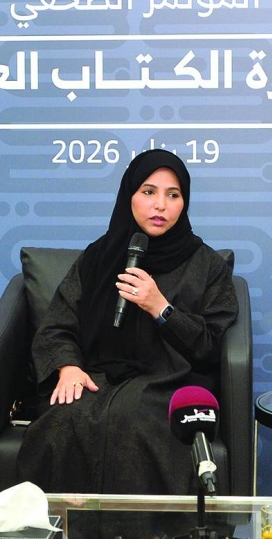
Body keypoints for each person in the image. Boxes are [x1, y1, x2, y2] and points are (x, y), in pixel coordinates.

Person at [17, 149, 239, 494]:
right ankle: (65, 527)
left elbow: (211, 344)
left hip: (168, 383)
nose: (160, 206)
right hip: (95, 378)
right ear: (129, 196)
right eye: (149, 192)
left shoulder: (208, 266)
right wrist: (68, 367)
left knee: (133, 417)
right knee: (66, 418)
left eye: (173, 195)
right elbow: (57, 325)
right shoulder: (97, 257)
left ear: (185, 203)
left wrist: (161, 308)